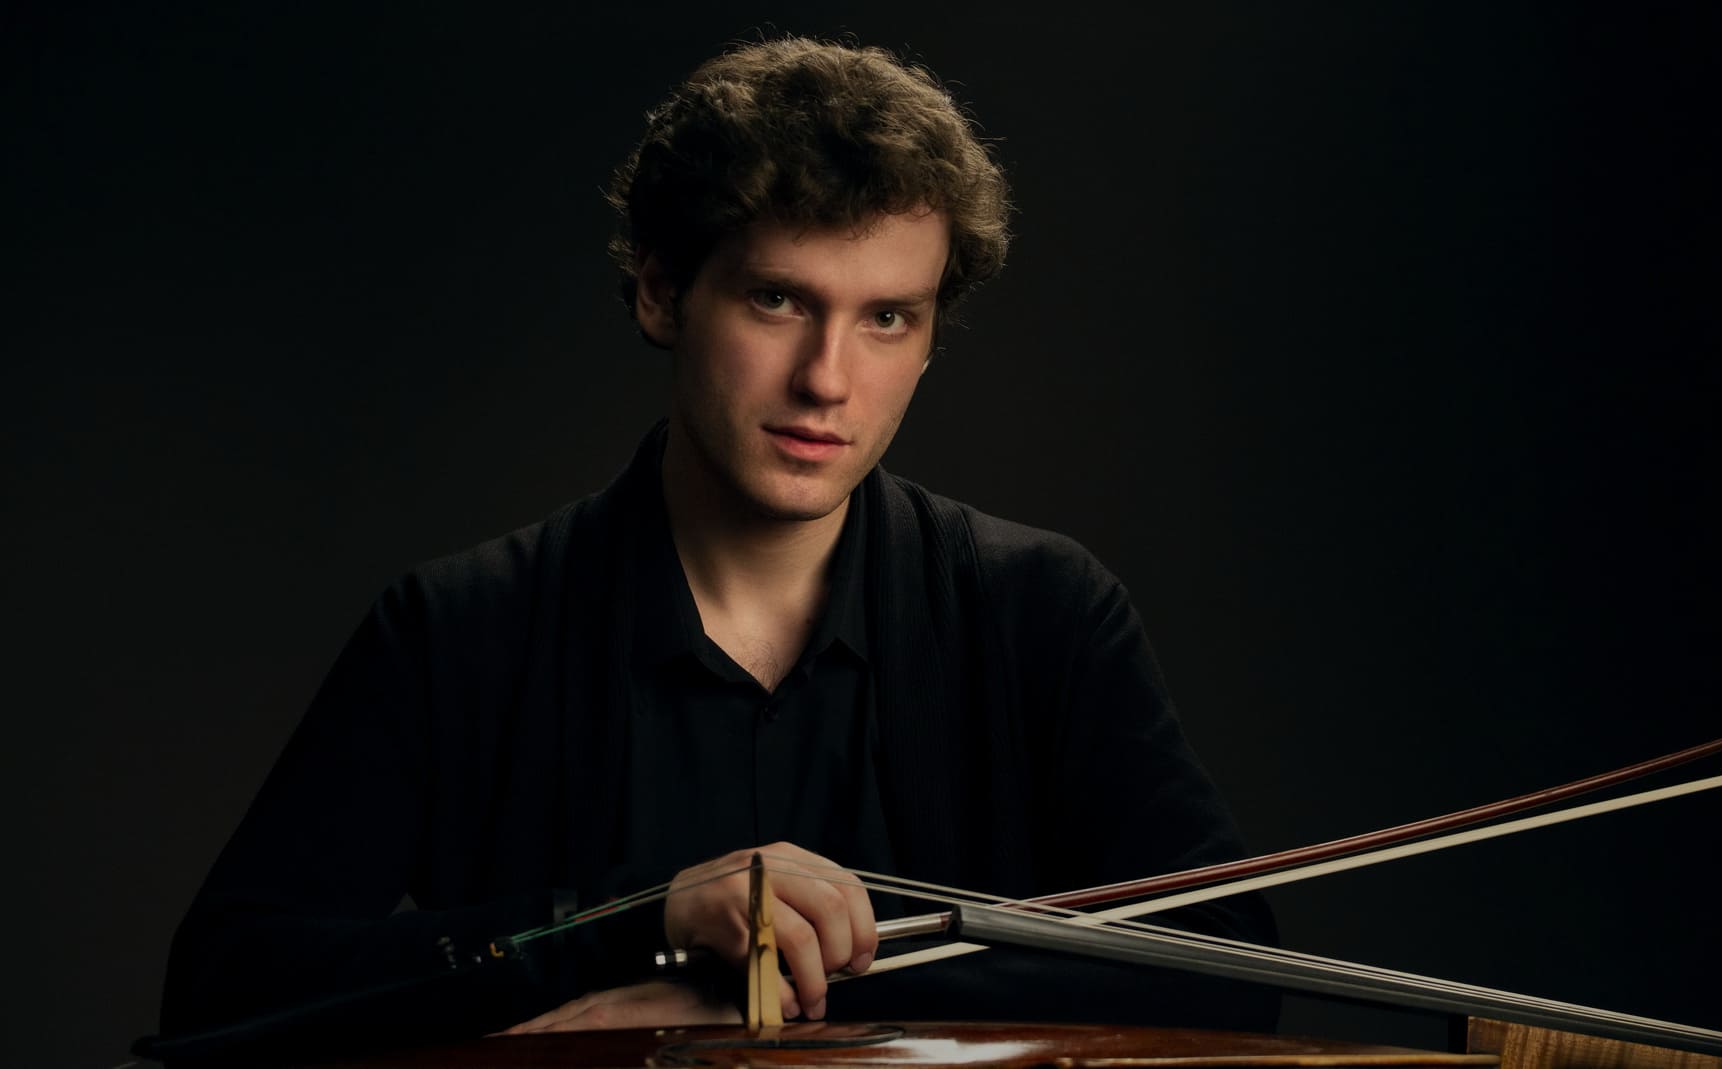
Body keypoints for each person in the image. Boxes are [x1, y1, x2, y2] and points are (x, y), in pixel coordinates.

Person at [157, 35, 1278, 1056]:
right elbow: (223, 986)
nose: (828, 379)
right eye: (778, 300)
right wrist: (628, 924)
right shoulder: (458, 629)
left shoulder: (1045, 611)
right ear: (661, 293)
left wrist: (768, 1000)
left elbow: (1234, 970)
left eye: (888, 317)